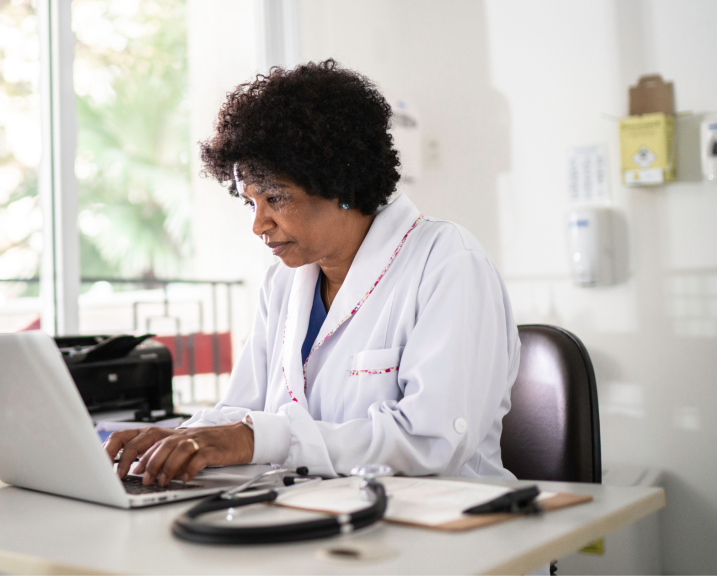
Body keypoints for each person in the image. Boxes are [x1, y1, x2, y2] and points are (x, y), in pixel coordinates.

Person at [104, 59, 520, 487]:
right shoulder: (285, 281)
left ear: (340, 182)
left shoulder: (448, 262)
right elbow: (244, 410)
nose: (258, 224)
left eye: (276, 199)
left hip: (453, 529)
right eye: (251, 203)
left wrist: (258, 439)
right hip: (326, 519)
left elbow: (430, 442)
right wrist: (174, 438)